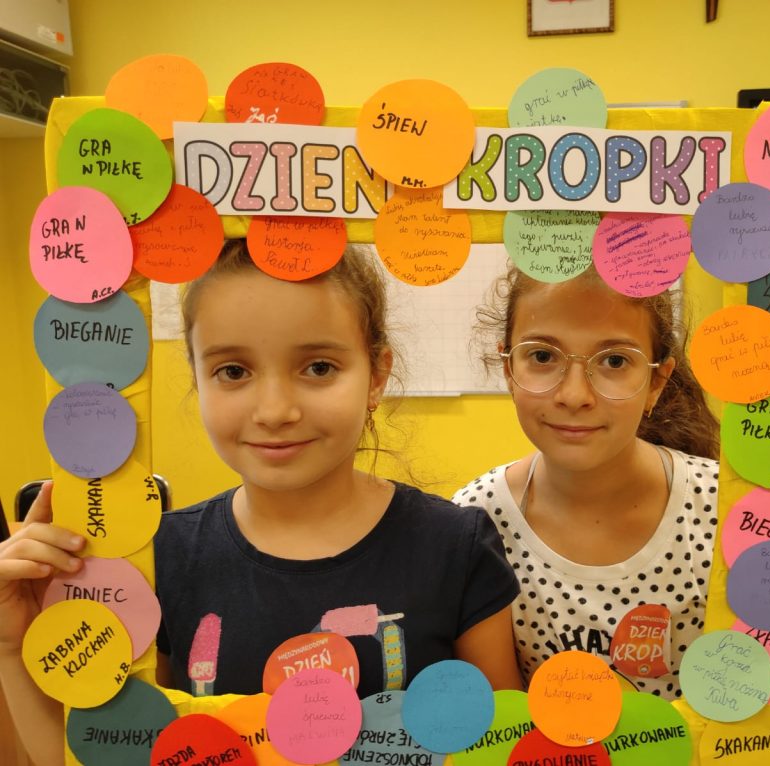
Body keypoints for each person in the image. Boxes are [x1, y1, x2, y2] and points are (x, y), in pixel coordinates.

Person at [0, 240, 521, 766]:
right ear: (198, 377)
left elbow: (501, 748)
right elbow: (100, 753)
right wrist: (13, 646)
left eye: (319, 367)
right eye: (233, 371)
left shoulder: (455, 547)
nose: (274, 411)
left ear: (377, 375)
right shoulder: (155, 560)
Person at [453, 264, 770, 700]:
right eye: (542, 357)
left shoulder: (731, 512)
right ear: (508, 368)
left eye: (615, 361)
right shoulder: (474, 522)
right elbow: (498, 722)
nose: (574, 395)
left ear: (657, 381)